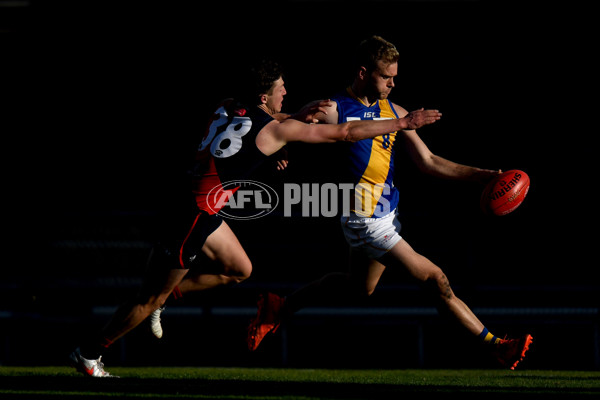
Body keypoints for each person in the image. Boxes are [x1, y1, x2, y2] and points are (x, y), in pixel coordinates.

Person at [68, 59, 442, 377]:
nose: (285, 93)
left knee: (239, 269)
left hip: (195, 200)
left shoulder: (227, 103)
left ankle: (166, 297)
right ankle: (88, 353)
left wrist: (282, 131)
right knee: (147, 298)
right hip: (193, 215)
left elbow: (247, 134)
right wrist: (402, 123)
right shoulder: (278, 128)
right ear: (265, 96)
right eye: (280, 89)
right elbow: (344, 132)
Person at [246, 36, 533, 370]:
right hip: (364, 219)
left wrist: (481, 176)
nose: (393, 83)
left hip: (386, 215)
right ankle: (497, 345)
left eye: (395, 76)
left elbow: (429, 161)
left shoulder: (394, 111)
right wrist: (278, 149)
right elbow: (279, 122)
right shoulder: (334, 108)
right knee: (435, 279)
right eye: (387, 77)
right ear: (364, 72)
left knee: (359, 288)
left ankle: (279, 306)